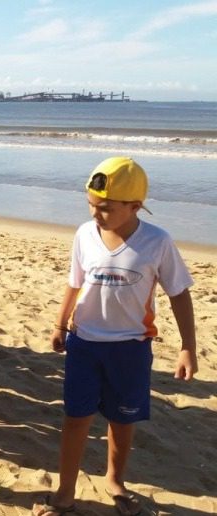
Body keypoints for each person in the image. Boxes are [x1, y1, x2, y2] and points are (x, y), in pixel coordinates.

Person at [33, 157, 198, 516]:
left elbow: (179, 293)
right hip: (84, 343)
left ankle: (115, 480)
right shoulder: (83, 234)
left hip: (130, 347)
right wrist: (60, 324)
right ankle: (64, 492)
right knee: (75, 419)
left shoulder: (157, 242)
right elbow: (74, 282)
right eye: (91, 205)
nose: (96, 214)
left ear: (135, 206)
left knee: (122, 420)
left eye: (105, 208)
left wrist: (188, 347)